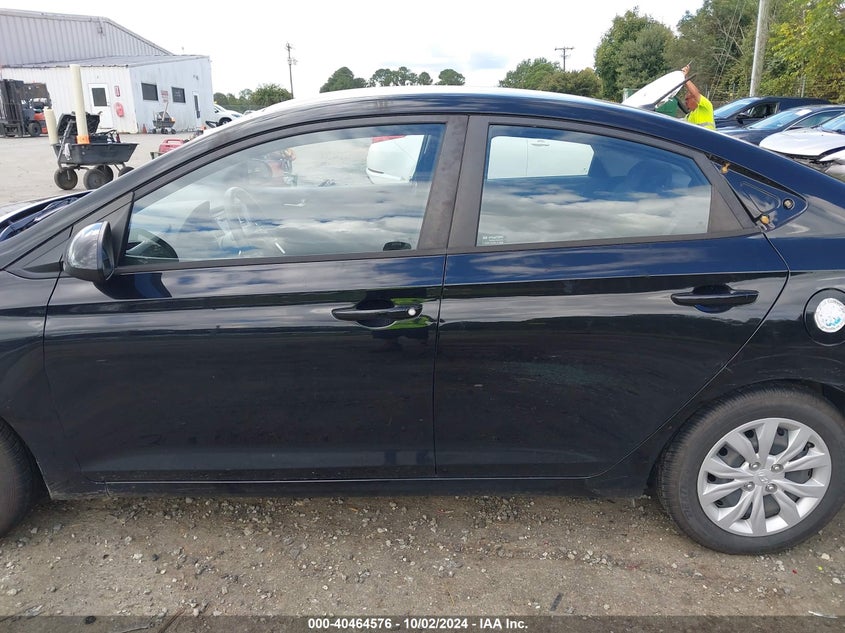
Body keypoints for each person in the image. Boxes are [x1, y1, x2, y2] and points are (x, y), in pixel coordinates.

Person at [681, 65, 715, 130]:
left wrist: (685, 77)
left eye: (687, 99)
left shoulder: (706, 106)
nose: (685, 102)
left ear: (694, 98)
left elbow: (695, 93)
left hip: (707, 136)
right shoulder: (688, 116)